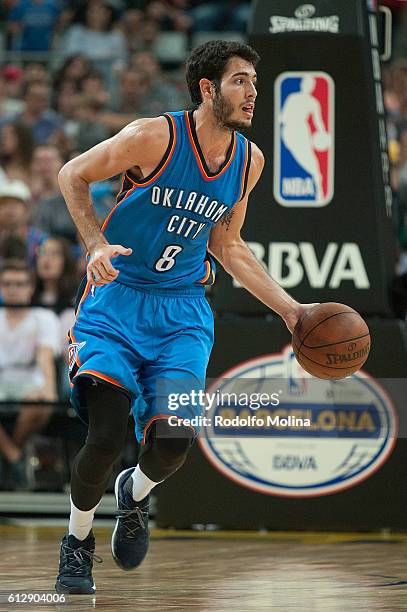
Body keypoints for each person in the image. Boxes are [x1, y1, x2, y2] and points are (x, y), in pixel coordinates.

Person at [55, 40, 309, 595]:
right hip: (116, 300)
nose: (252, 93)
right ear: (208, 89)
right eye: (240, 80)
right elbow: (73, 174)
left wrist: (292, 311)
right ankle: (77, 541)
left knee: (172, 442)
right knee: (104, 433)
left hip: (184, 313)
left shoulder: (250, 160)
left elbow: (229, 244)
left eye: (254, 82)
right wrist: (95, 243)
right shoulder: (154, 135)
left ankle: (134, 495)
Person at [0, 260, 60, 489]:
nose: (13, 289)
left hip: (29, 380)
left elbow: (45, 357)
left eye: (19, 284)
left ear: (30, 287)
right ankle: (15, 457)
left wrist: (49, 388)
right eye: (7, 284)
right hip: (2, 379)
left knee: (42, 400)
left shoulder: (43, 317)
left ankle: (8, 454)